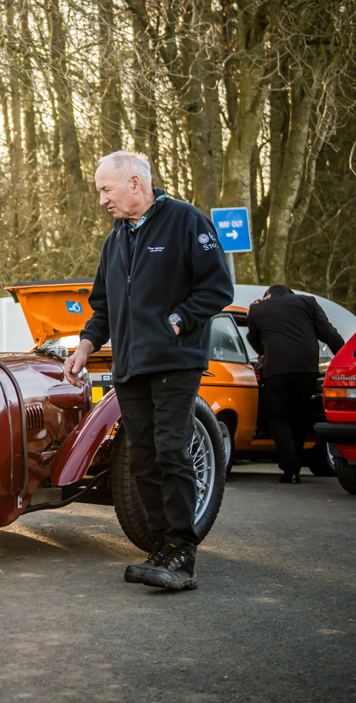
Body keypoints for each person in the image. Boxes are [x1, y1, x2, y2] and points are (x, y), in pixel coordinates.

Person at [62, 151, 234, 591]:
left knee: (171, 450)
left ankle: (182, 552)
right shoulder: (116, 239)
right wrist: (85, 347)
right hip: (130, 367)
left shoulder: (186, 221)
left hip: (175, 362)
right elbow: (102, 306)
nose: (102, 200)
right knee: (141, 457)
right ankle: (161, 546)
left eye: (106, 189)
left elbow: (217, 287)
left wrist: (177, 320)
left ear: (135, 183)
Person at [246, 285, 347, 484]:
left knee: (278, 418)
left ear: (268, 294)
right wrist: (345, 357)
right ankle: (296, 463)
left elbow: (253, 337)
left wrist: (263, 351)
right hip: (307, 369)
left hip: (277, 370)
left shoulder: (257, 307)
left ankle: (291, 470)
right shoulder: (307, 302)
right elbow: (328, 333)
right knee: (299, 416)